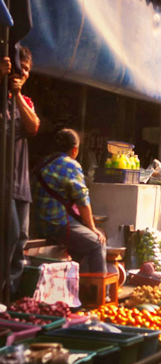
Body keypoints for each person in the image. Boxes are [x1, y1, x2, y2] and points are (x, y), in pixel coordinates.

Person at [32, 129, 107, 273]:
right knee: (97, 243)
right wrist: (92, 228)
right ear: (75, 149)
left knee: (82, 247)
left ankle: (79, 287)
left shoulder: (42, 163)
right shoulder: (71, 165)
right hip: (58, 225)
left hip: (39, 225)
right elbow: (82, 201)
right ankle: (99, 293)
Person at [0, 48, 39, 295]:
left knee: (20, 241)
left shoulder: (24, 101)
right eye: (18, 67)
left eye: (26, 69)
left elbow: (33, 126)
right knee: (9, 237)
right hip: (3, 185)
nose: (22, 72)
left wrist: (17, 94)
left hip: (21, 186)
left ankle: (9, 298)